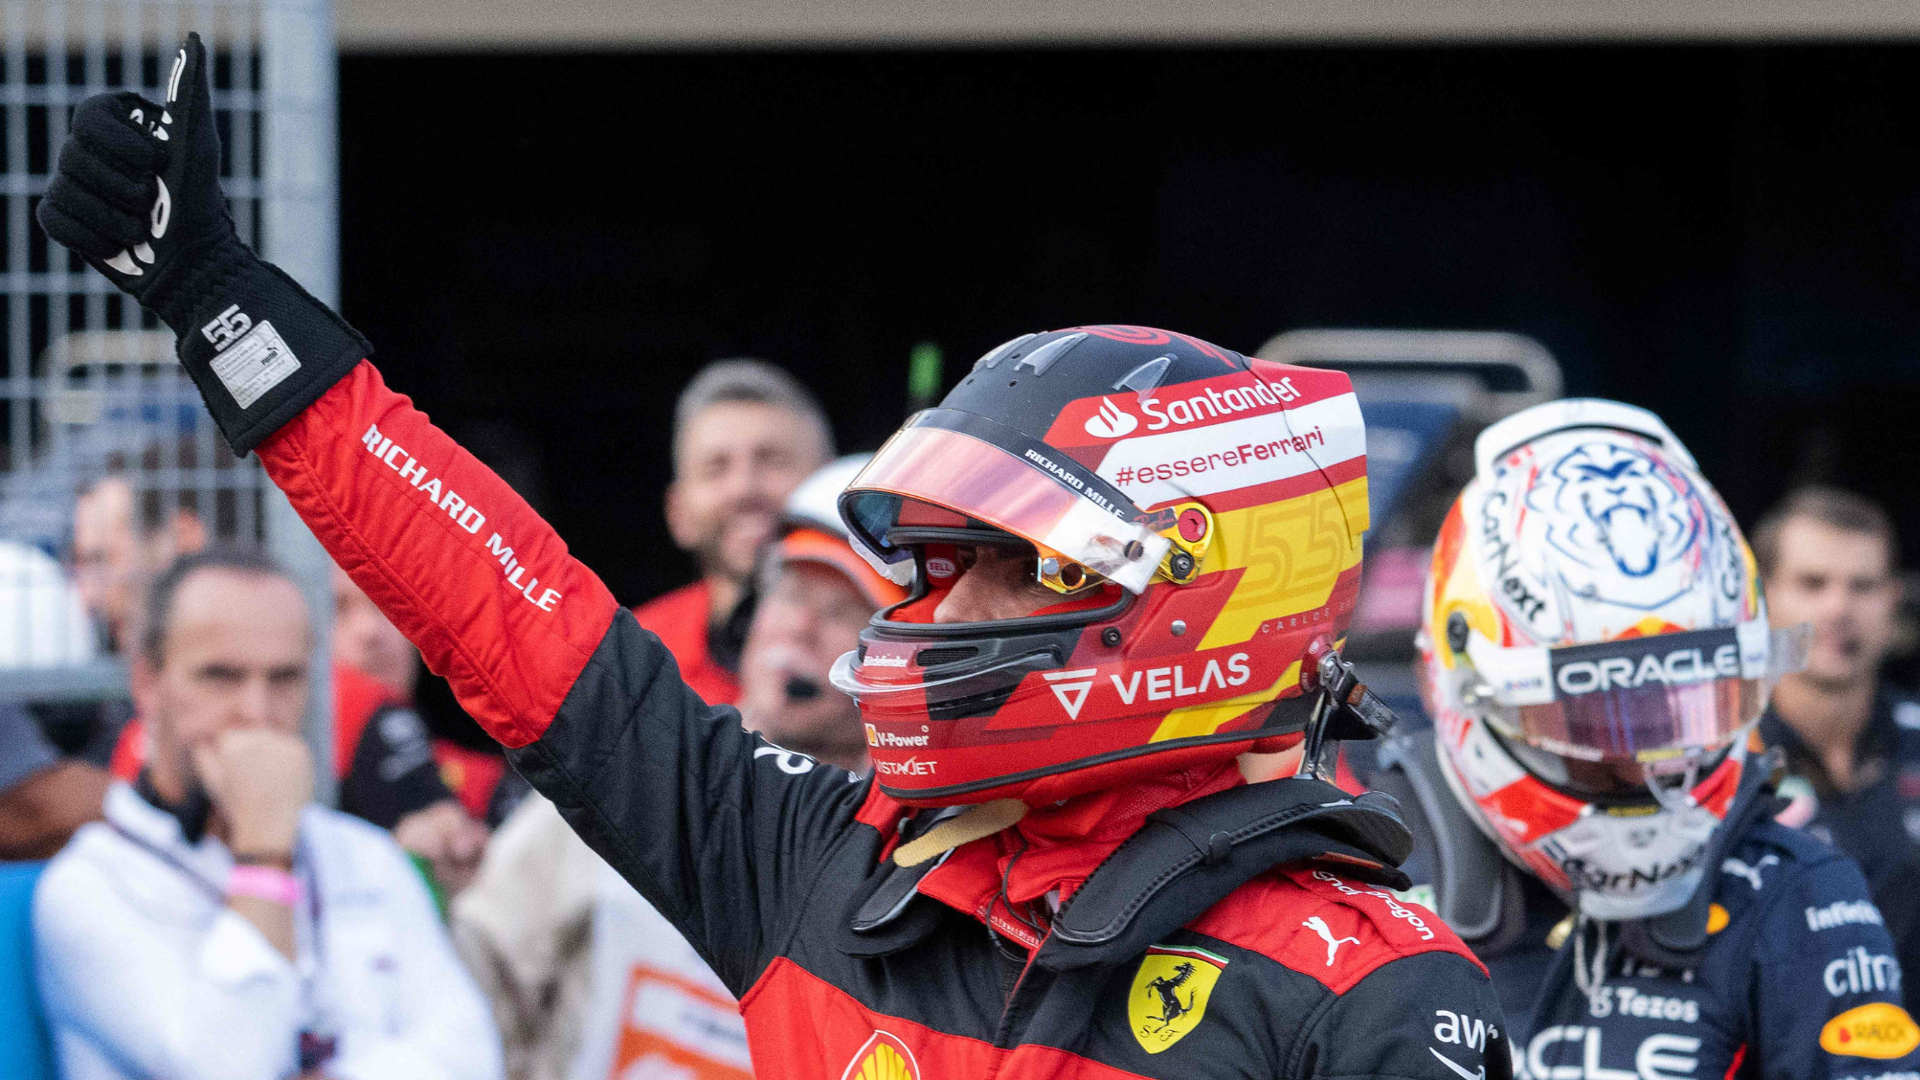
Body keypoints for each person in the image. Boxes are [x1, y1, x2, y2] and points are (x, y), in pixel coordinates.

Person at [37, 38, 1506, 1080]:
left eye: (1013, 567)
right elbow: (518, 613)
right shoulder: (822, 863)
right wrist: (226, 309)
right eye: (932, 561)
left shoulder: (1369, 993)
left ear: (1202, 603)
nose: (933, 613)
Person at [1372, 398, 1920, 1077]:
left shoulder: (1798, 896)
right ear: (1465, 690)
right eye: (1590, 726)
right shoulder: (1365, 884)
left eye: (1679, 720)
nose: (1640, 768)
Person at [454, 454, 907, 1080]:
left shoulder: (906, 854)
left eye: (840, 613)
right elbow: (474, 980)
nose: (800, 628)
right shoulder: (633, 763)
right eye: (791, 593)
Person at [32, 547, 503, 1080]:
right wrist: (263, 853)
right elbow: (233, 1065)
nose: (256, 712)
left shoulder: (362, 854)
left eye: (283, 678)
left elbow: (471, 1055)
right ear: (148, 685)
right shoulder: (90, 886)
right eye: (221, 676)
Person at [634, 359, 833, 706]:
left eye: (773, 460)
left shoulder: (892, 645)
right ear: (676, 513)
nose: (744, 489)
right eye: (715, 469)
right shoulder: (633, 656)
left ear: (833, 486)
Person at [1751, 488, 1916, 877]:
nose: (1838, 608)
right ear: (1761, 595)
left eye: (1863, 586)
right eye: (1812, 583)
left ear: (1894, 599)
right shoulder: (1713, 759)